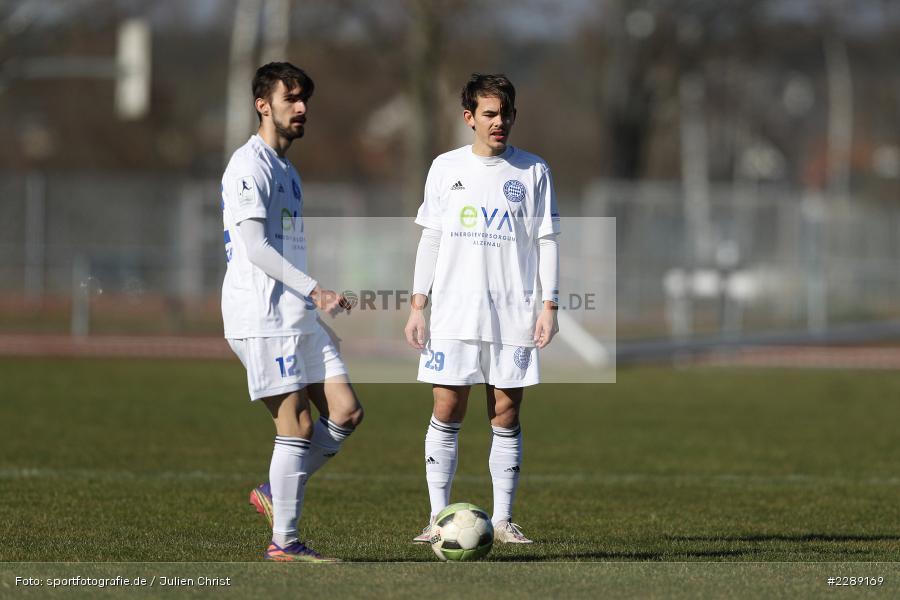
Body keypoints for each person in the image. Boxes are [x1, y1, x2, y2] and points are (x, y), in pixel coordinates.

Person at [404, 73, 560, 545]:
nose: (499, 122)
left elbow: (546, 240)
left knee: (506, 413)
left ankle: (505, 519)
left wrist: (548, 305)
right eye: (489, 114)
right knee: (447, 405)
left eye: (506, 113)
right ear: (469, 117)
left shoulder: (533, 171)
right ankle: (436, 518)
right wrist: (417, 304)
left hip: (512, 313)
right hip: (453, 312)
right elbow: (431, 236)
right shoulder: (444, 167)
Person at [220, 62, 363, 562]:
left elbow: (289, 250)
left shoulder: (289, 173)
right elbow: (255, 247)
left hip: (294, 314)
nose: (301, 109)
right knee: (297, 425)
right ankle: (284, 541)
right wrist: (318, 290)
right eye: (291, 98)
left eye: (305, 100)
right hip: (260, 315)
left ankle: (272, 491)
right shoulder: (248, 165)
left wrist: (310, 305)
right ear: (264, 104)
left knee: (345, 411)